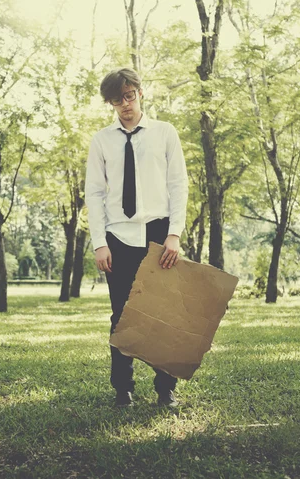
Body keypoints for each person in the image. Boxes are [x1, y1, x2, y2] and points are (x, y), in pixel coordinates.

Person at [85, 68, 189, 408]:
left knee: (164, 314)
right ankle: (123, 389)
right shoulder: (102, 140)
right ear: (110, 103)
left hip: (159, 233)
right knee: (122, 316)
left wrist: (174, 235)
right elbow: (95, 194)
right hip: (118, 236)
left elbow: (178, 185)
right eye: (117, 99)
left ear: (140, 93)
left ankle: (165, 389)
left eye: (129, 96)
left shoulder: (164, 133)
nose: (125, 104)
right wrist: (99, 242)